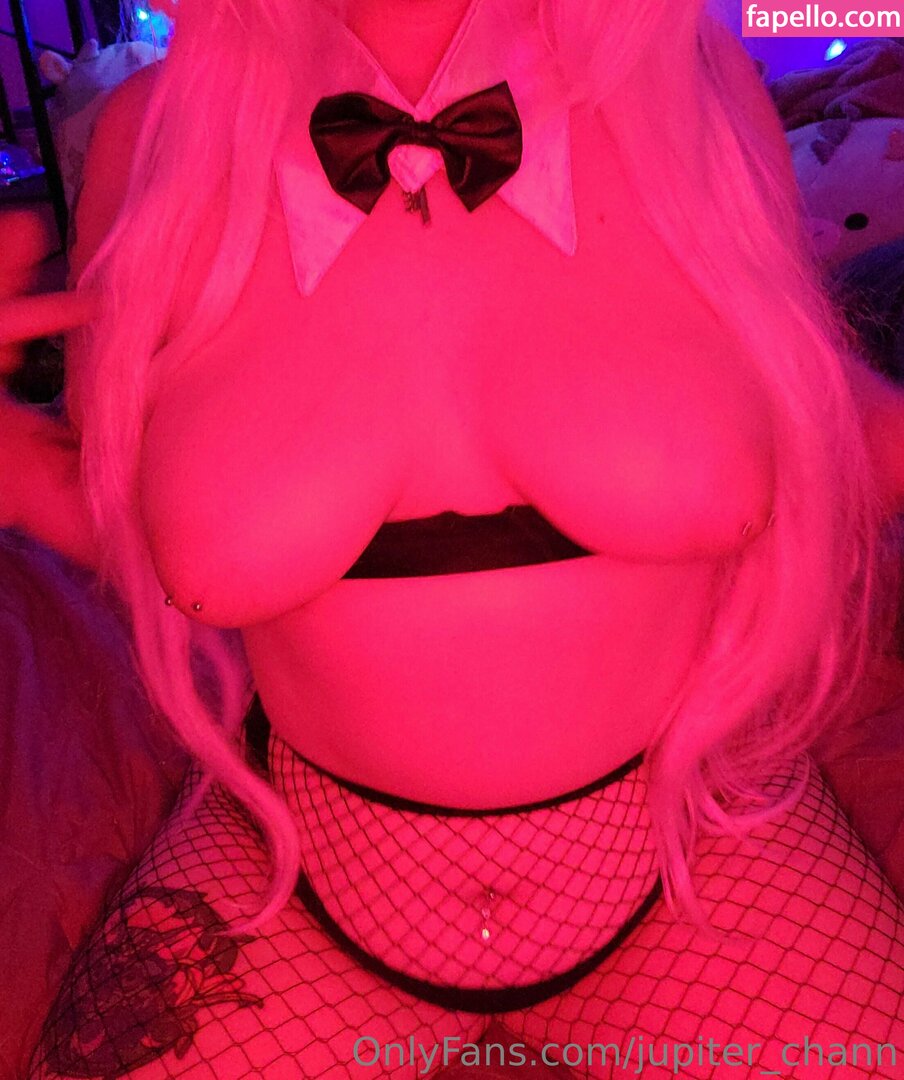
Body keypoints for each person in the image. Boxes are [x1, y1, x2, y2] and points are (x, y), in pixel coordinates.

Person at [3, 0, 903, 1075]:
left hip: (695, 847)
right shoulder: (156, 135)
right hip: (299, 871)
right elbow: (143, 522)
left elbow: (820, 422)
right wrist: (14, 467)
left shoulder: (698, 87)